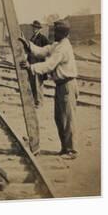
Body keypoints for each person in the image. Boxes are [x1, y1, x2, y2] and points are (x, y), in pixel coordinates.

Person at [19, 20, 79, 159]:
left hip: (67, 85)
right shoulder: (58, 45)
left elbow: (49, 65)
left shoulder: (63, 48)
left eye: (54, 31)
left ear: (61, 33)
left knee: (68, 118)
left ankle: (72, 151)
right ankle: (65, 148)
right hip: (61, 86)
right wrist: (28, 45)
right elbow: (43, 51)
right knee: (60, 118)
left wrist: (31, 67)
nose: (52, 34)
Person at [27, 20, 50, 107]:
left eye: (36, 28)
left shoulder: (43, 38)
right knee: (32, 83)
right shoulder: (32, 38)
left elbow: (47, 50)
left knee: (38, 84)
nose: (34, 29)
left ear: (39, 29)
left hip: (39, 64)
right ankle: (34, 101)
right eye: (33, 28)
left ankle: (40, 102)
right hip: (32, 64)